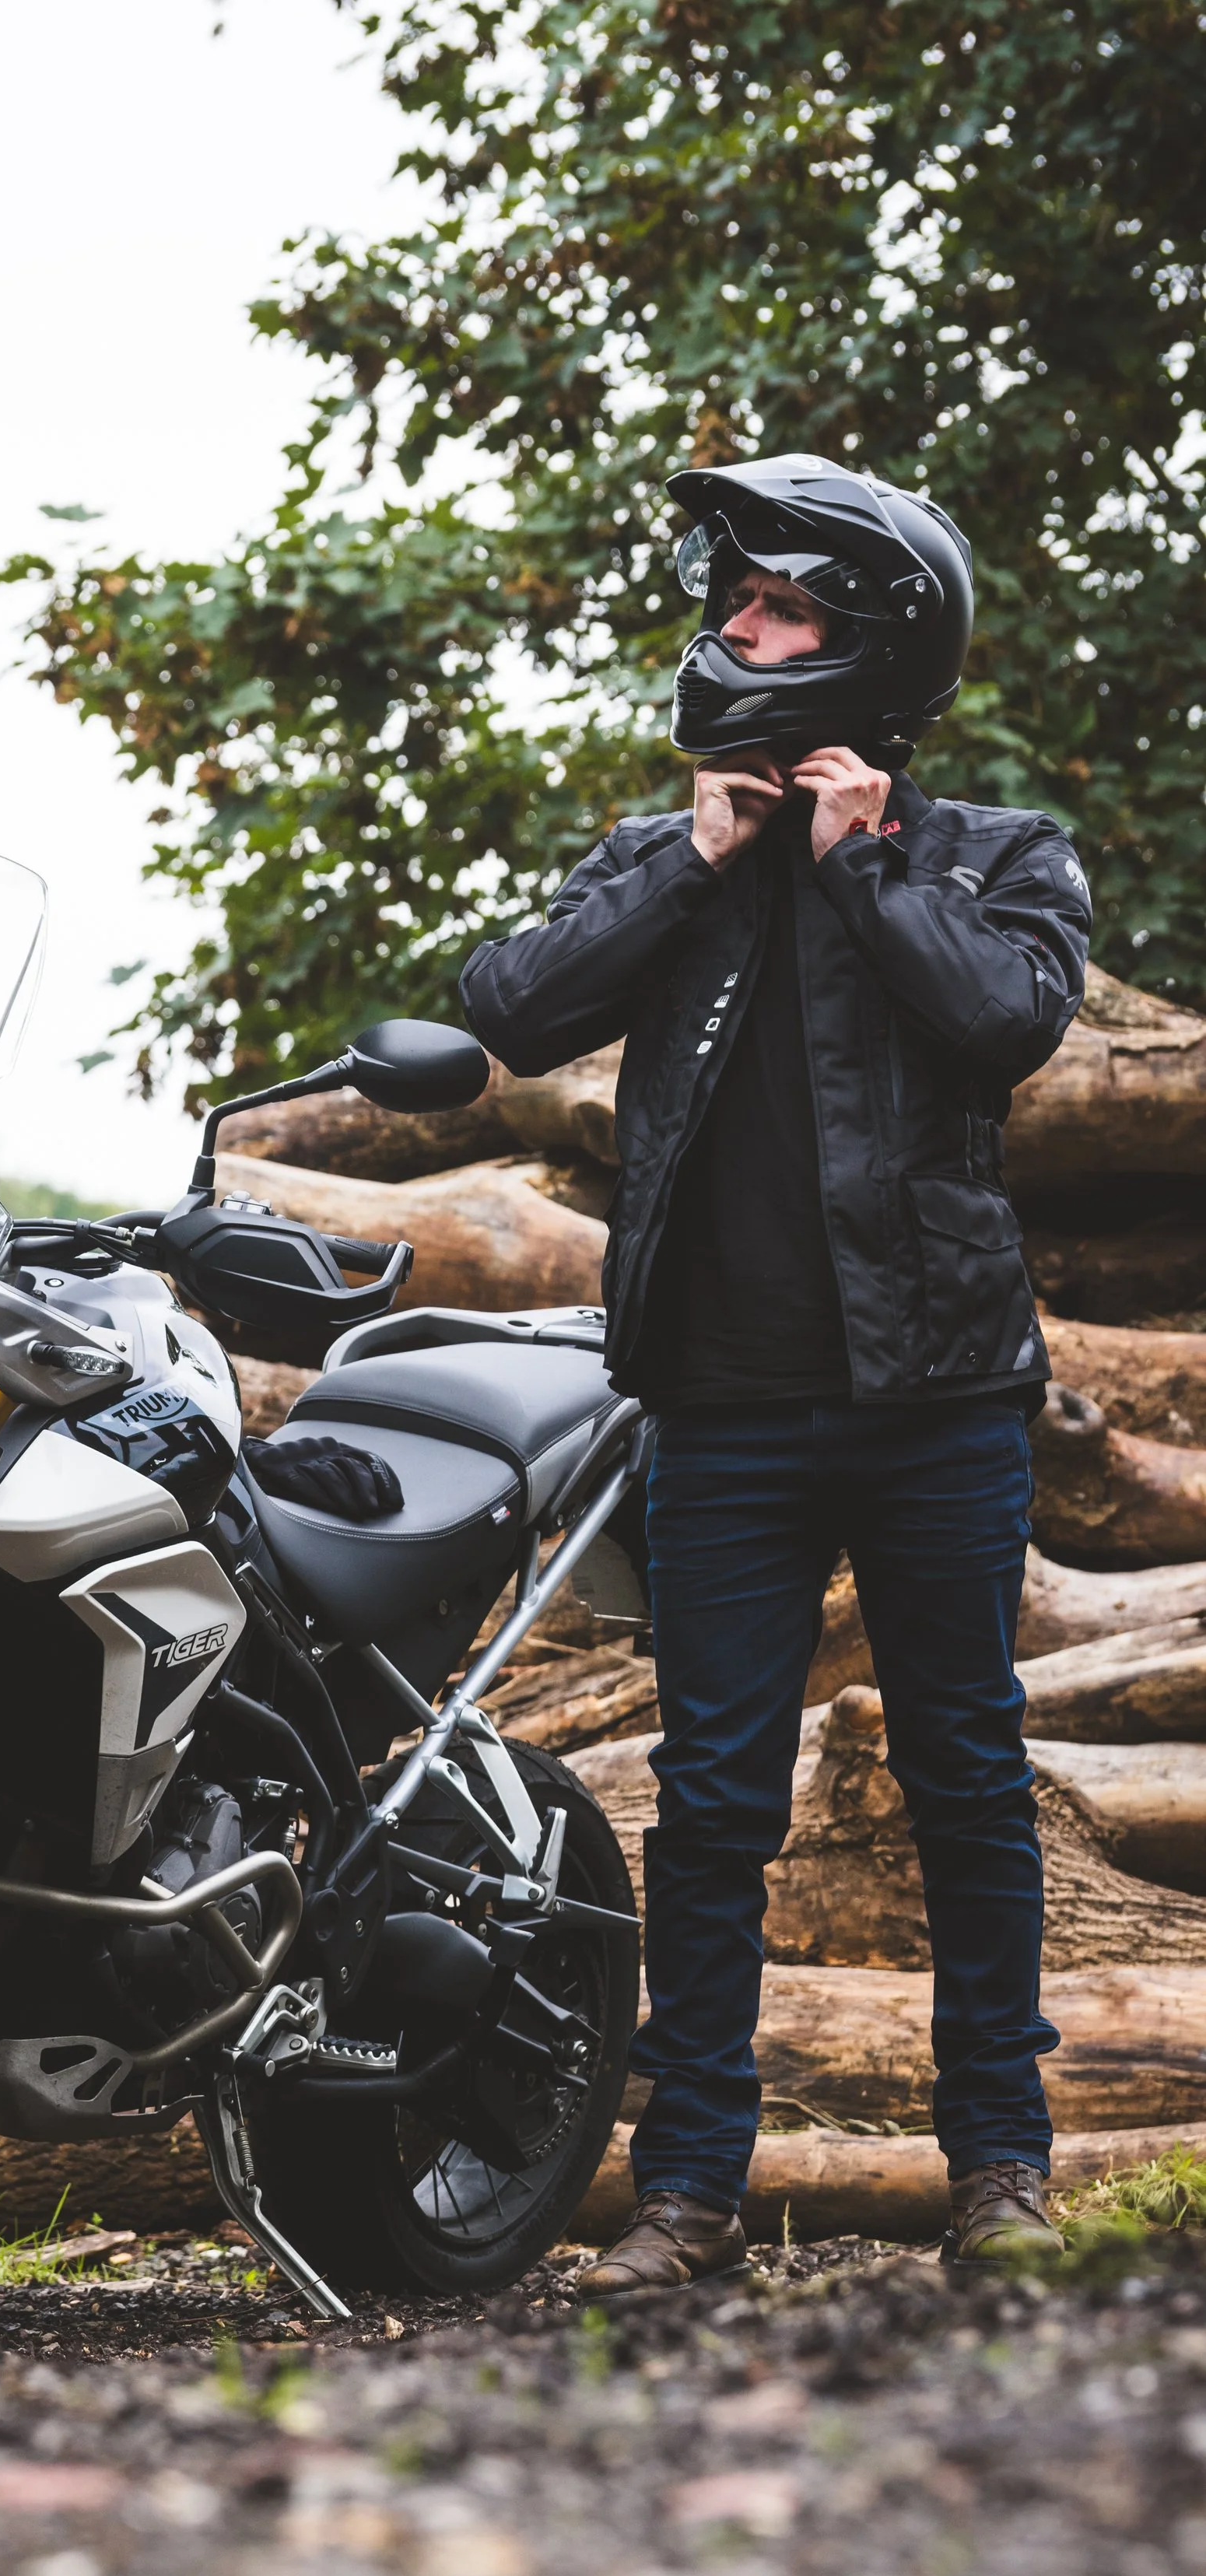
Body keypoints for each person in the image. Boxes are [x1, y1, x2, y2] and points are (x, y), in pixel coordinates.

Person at [461, 454, 1092, 2290]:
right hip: (716, 1413)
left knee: (967, 1783)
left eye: (775, 608)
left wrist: (864, 865)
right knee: (714, 1801)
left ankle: (999, 2169)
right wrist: (694, 857)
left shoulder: (988, 854)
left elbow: (1005, 1023)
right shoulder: (680, 853)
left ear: (868, 642)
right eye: (731, 601)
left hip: (940, 1408)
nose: (733, 632)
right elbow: (512, 1005)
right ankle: (687, 2194)